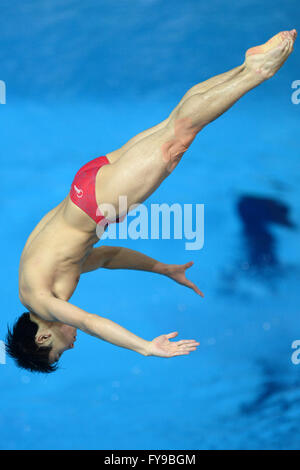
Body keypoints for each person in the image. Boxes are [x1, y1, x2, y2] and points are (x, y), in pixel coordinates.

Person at [6, 30, 297, 372]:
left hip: (96, 205)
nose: (71, 344)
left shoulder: (42, 300)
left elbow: (90, 322)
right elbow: (106, 257)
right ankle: (245, 67)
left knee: (177, 140)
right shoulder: (36, 282)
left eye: (60, 351)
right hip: (86, 187)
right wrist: (162, 268)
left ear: (42, 338)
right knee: (173, 125)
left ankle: (255, 73)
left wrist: (146, 348)